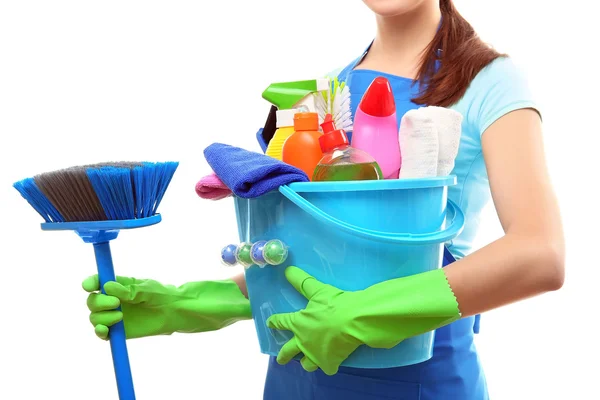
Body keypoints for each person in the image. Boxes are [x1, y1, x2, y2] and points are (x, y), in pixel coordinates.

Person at [83, 0, 565, 398]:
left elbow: (540, 254)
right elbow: (311, 265)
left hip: (418, 377)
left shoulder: (491, 81)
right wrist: (187, 303)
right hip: (296, 371)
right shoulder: (325, 94)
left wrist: (361, 315)